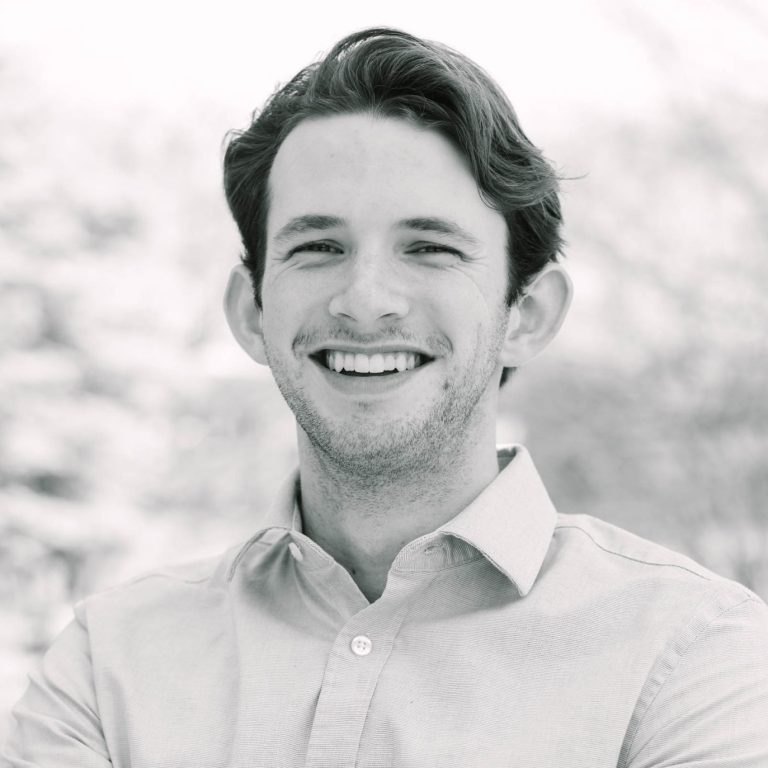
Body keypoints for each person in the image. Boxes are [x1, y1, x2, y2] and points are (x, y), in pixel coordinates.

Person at [3, 27, 767, 768]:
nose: (365, 302)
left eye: (429, 247)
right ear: (251, 312)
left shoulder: (694, 657)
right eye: (318, 247)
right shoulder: (111, 667)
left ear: (526, 316)